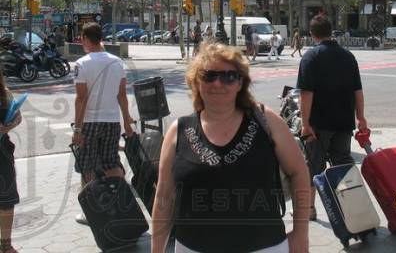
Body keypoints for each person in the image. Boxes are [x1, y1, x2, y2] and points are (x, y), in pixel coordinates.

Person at [151, 42, 310, 253]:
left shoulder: (266, 121)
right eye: (209, 76)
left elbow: (299, 171)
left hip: (264, 247)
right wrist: (156, 250)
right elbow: (164, 197)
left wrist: (300, 234)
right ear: (196, 82)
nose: (218, 83)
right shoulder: (178, 131)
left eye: (229, 76)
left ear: (240, 83)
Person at [297, 14, 367, 221]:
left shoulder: (311, 57)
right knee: (343, 165)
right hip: (344, 122)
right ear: (331, 31)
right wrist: (361, 118)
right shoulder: (348, 56)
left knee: (313, 166)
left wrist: (305, 123)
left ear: (312, 34)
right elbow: (358, 91)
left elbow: (306, 94)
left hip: (319, 123)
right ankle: (353, 208)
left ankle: (310, 209)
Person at [72, 22, 134, 224]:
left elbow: (81, 98)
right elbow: (122, 96)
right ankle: (122, 203)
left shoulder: (82, 64)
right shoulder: (117, 62)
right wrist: (126, 121)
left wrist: (78, 128)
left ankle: (91, 211)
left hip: (90, 122)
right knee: (111, 163)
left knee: (87, 165)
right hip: (111, 121)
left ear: (85, 38)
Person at [0, 72, 21, 253]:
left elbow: (18, 117)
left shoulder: (4, 92)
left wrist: (6, 127)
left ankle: (6, 244)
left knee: (7, 200)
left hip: (3, 154)